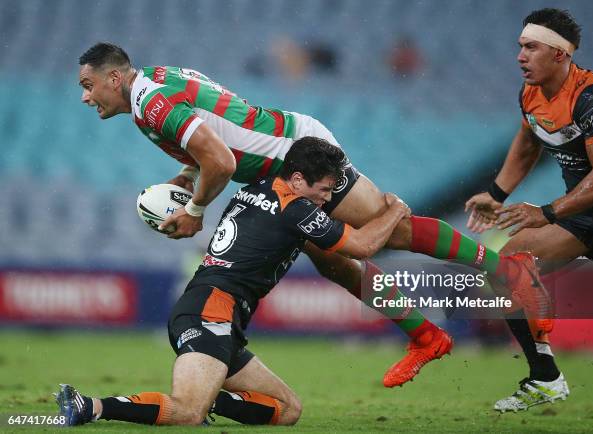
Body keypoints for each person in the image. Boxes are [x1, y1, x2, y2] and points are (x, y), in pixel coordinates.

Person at [77, 42, 545, 387]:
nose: (85, 96)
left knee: (391, 228)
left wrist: (197, 208)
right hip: (278, 164)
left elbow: (221, 159)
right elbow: (220, 125)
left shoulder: (150, 102)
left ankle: (507, 272)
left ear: (114, 78)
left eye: (88, 85)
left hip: (295, 153)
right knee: (336, 262)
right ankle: (426, 336)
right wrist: (187, 171)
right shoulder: (156, 81)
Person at [55, 137, 411, 427]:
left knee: (288, 410)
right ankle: (90, 406)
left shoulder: (257, 187)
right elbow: (363, 247)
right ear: (298, 179)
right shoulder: (296, 209)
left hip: (219, 315)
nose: (328, 199)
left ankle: (213, 401)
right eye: (324, 189)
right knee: (188, 412)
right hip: (210, 311)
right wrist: (395, 210)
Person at [465, 8, 593, 412]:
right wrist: (496, 193)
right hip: (585, 213)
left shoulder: (592, 97)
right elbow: (529, 142)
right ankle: (545, 378)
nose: (520, 56)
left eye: (531, 47)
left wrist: (546, 211)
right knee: (507, 264)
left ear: (561, 55)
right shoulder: (530, 93)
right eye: (520, 47)